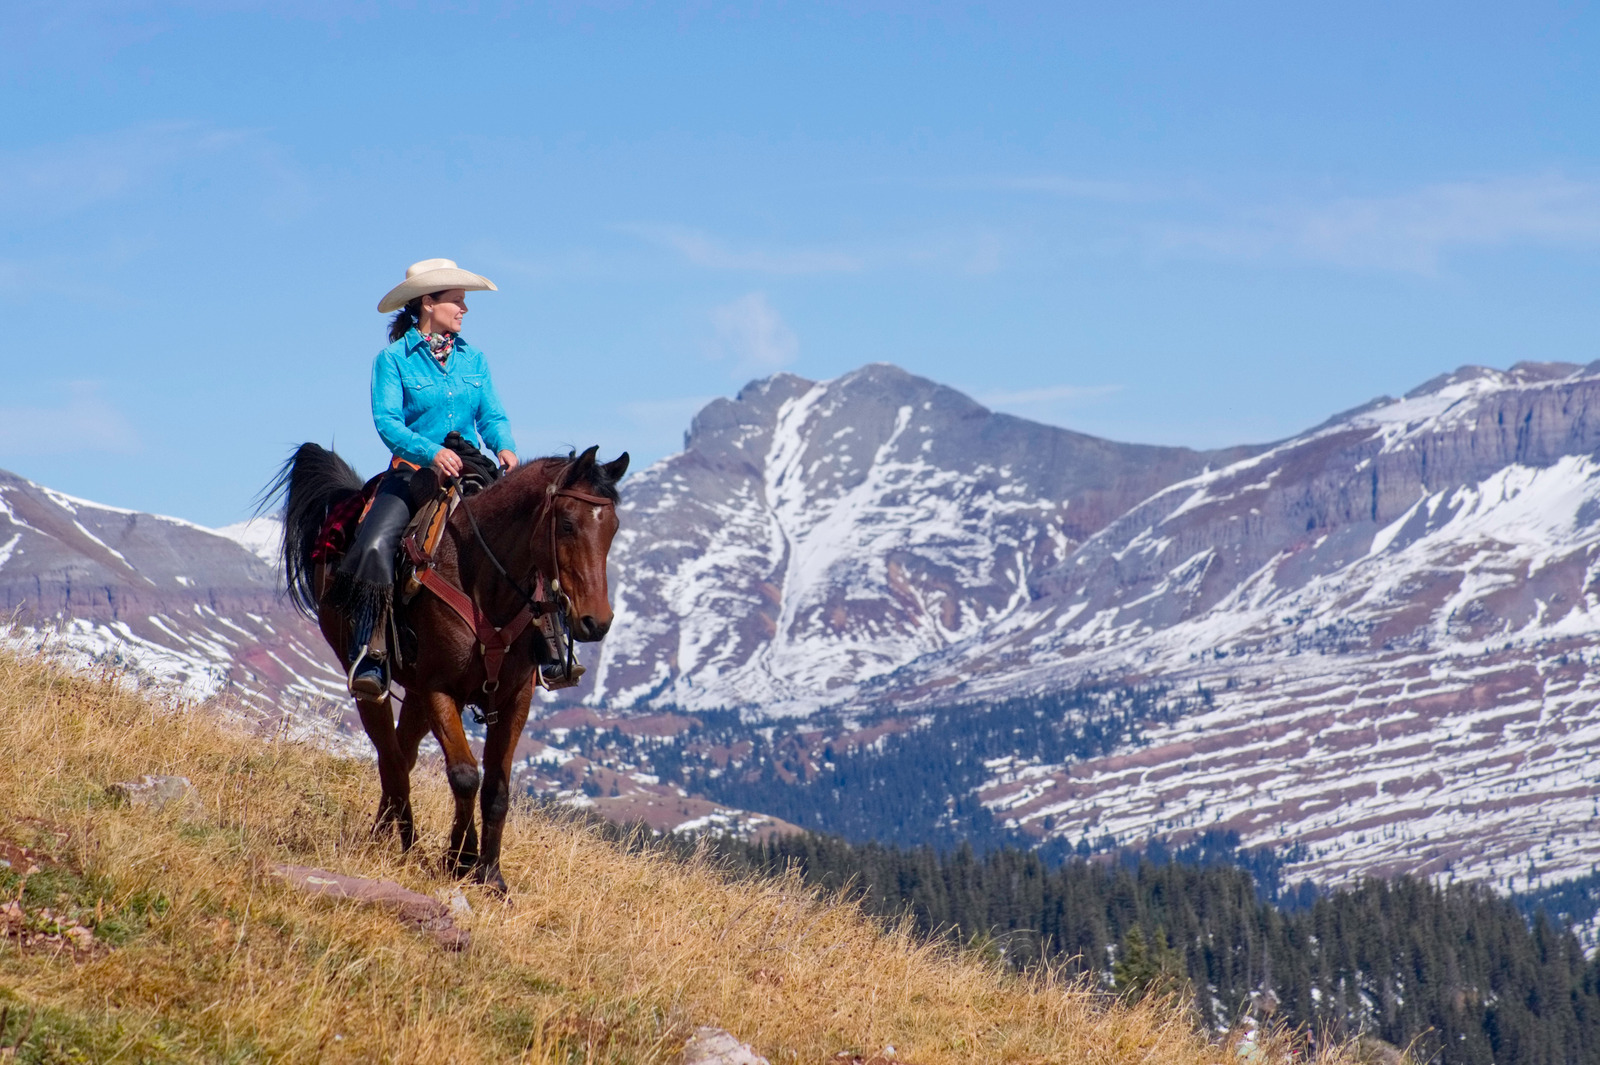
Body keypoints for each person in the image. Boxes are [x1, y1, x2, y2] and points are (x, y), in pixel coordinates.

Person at [333, 258, 520, 698]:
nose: (464, 309)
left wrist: (505, 445)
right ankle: (373, 654)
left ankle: (546, 649)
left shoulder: (475, 358)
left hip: (473, 465)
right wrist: (430, 451)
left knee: (525, 532)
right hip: (413, 471)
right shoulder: (392, 360)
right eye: (457, 300)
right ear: (428, 303)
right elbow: (387, 423)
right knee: (376, 543)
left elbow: (491, 414)